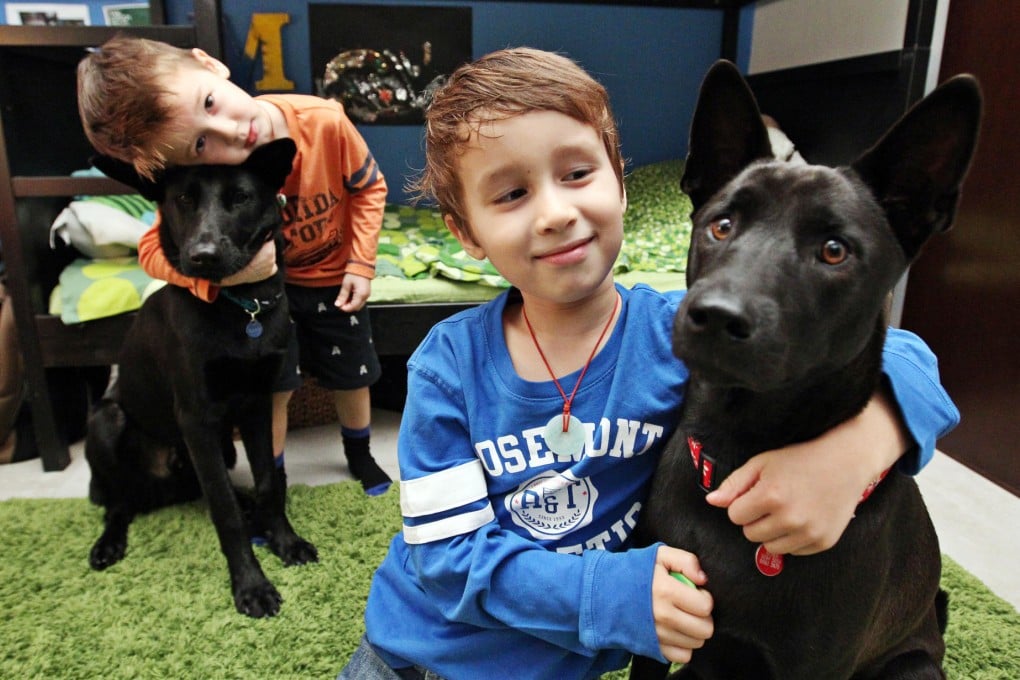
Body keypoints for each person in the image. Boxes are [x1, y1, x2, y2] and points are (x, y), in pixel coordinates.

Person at [338, 48, 960, 679]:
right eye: (512, 193)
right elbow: (445, 561)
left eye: (578, 173)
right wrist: (613, 594)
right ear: (466, 232)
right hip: (420, 656)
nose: (555, 213)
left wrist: (853, 453)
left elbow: (908, 357)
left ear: (621, 181)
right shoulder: (448, 366)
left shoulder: (679, 331)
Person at [77, 36, 392, 495]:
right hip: (266, 299)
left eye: (209, 102)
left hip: (331, 281)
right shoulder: (216, 172)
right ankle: (274, 480)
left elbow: (369, 187)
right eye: (202, 142)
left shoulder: (324, 122)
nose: (230, 130)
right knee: (274, 391)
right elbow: (153, 249)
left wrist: (361, 265)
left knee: (353, 375)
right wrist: (223, 280)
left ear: (210, 65)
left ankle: (360, 454)